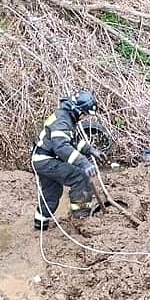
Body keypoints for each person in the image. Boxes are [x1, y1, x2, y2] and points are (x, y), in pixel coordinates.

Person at [31, 90, 107, 229]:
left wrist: (90, 150)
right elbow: (62, 147)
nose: (84, 117)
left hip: (42, 159)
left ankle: (40, 224)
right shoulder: (62, 121)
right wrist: (84, 163)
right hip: (47, 160)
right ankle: (81, 218)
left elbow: (73, 141)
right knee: (80, 177)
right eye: (84, 114)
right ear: (77, 110)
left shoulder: (66, 117)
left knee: (51, 193)